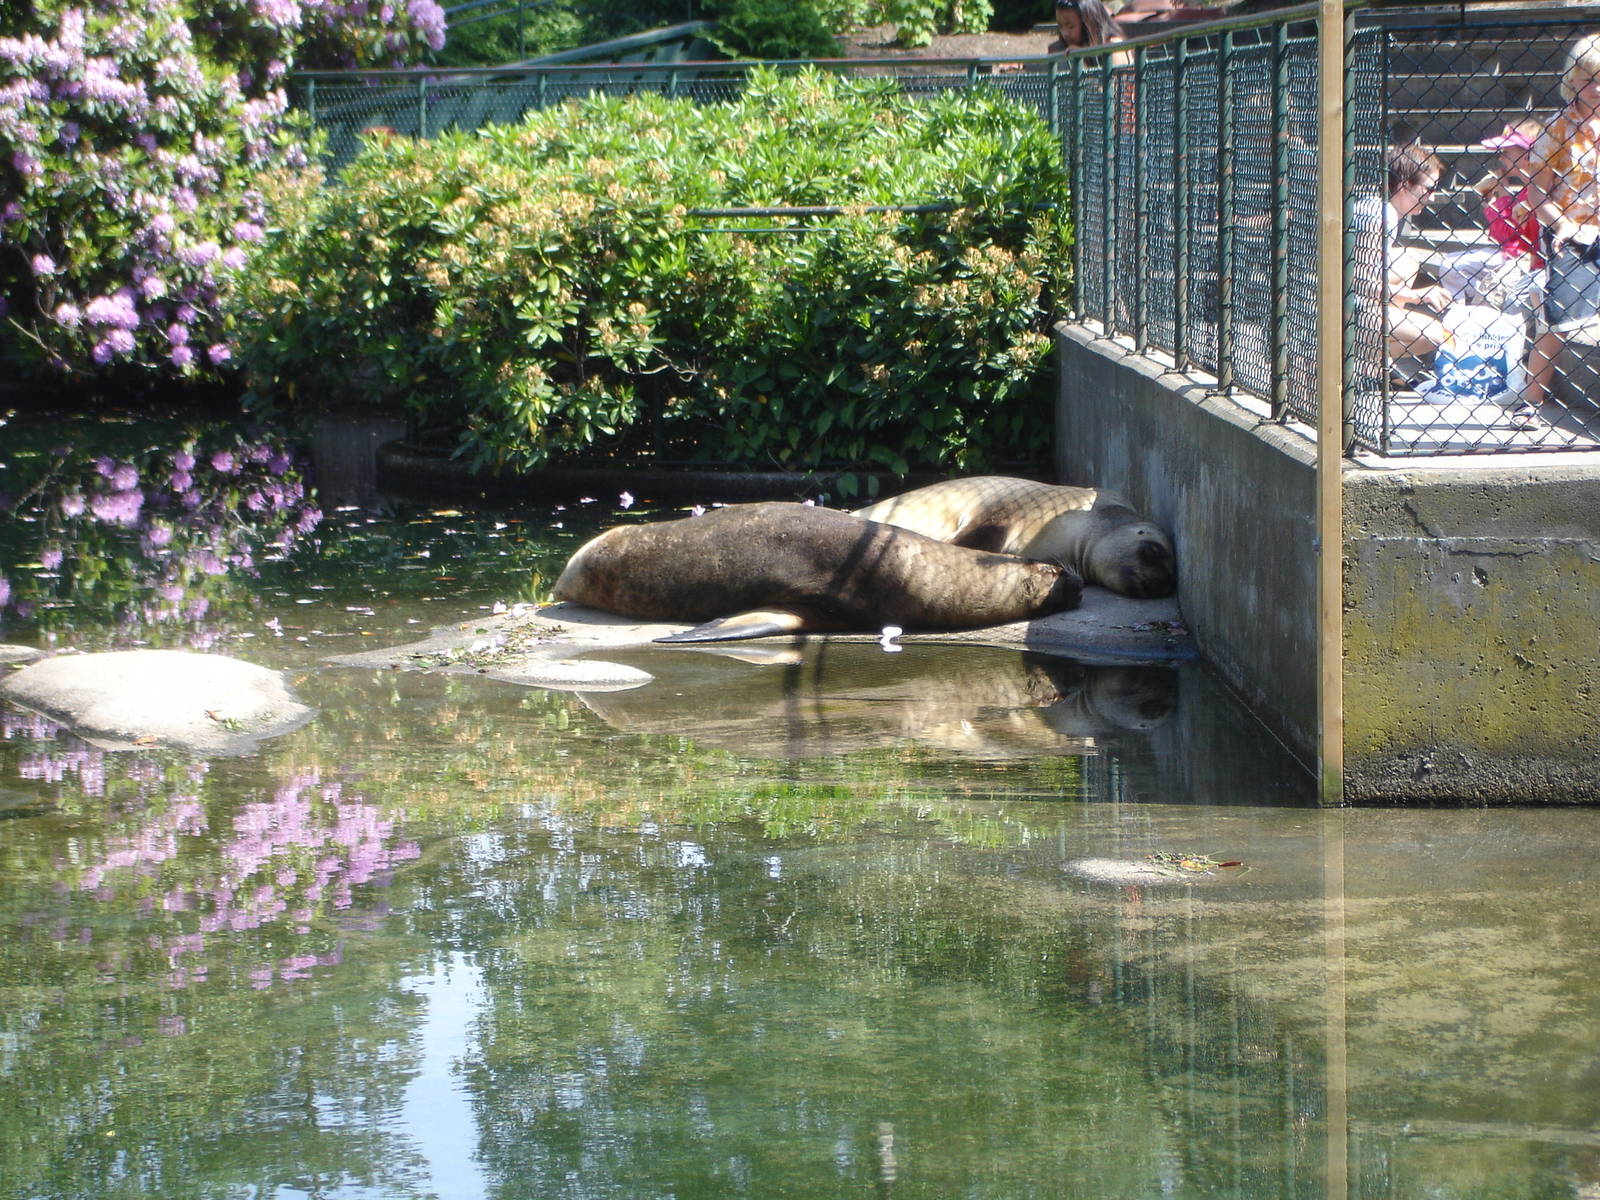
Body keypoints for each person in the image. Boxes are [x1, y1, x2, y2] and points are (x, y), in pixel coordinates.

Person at [1523, 32, 1600, 411]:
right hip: (1570, 233)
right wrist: (1563, 224)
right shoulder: (1558, 127)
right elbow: (1536, 193)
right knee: (1559, 317)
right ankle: (1530, 402)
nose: (1596, 86)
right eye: (1587, 77)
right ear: (1572, 79)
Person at [1352, 141, 1453, 366]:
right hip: (1350, 309)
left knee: (1408, 260)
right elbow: (1360, 283)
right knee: (1435, 334)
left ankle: (1370, 358)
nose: (1432, 197)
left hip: (1357, 302)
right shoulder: (1381, 215)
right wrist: (1419, 295)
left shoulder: (1382, 208)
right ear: (1405, 185)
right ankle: (1361, 360)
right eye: (1429, 189)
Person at [1440, 119, 1545, 309]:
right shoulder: (1527, 189)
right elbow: (1505, 236)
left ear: (1527, 156)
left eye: (1506, 153)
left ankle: (1479, 308)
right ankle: (1469, 308)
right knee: (1451, 265)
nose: (1501, 158)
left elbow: (1508, 235)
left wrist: (1499, 201)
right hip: (1514, 255)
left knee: (1452, 266)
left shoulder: (1535, 191)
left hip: (1525, 261)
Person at [1049, 0, 1129, 61]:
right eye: (1061, 26)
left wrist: (1085, 55)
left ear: (1090, 23)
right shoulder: (1065, 49)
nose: (1065, 33)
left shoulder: (1113, 44)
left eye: (1071, 27)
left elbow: (1119, 80)